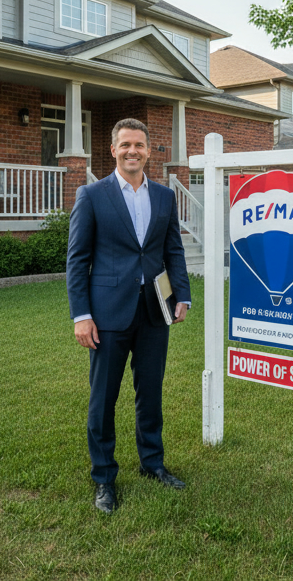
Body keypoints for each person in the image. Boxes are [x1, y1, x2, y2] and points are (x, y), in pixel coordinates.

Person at [66, 118, 191, 514]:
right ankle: (104, 478)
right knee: (103, 399)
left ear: (149, 151)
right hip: (107, 315)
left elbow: (173, 251)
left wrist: (182, 296)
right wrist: (81, 315)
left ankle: (152, 463)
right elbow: (77, 260)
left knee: (150, 393)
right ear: (113, 150)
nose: (132, 151)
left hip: (155, 311)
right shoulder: (92, 195)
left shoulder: (165, 197)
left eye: (139, 145)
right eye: (125, 145)